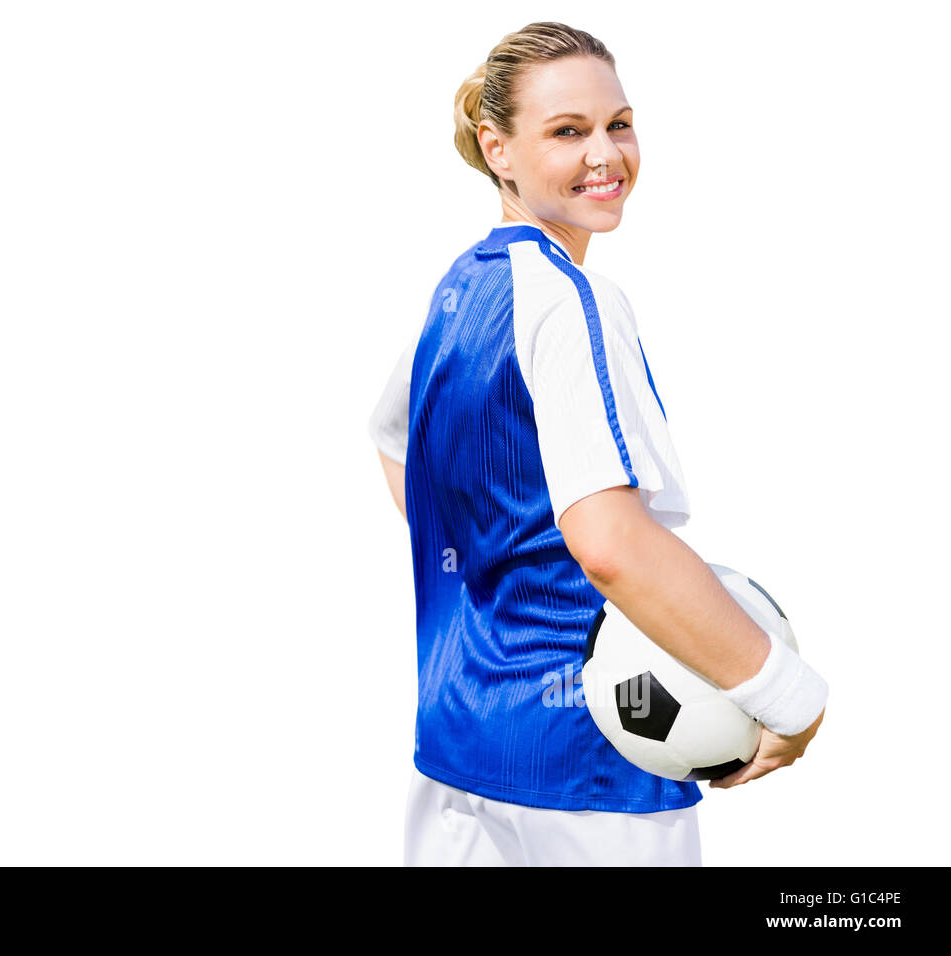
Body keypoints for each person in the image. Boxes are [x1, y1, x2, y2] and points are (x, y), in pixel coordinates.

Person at [367, 22, 827, 867]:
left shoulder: (462, 288)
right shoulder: (572, 300)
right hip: (586, 767)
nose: (606, 154)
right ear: (496, 148)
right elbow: (611, 545)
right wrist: (788, 696)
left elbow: (394, 439)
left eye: (619, 123)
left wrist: (495, 582)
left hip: (456, 747)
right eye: (568, 132)